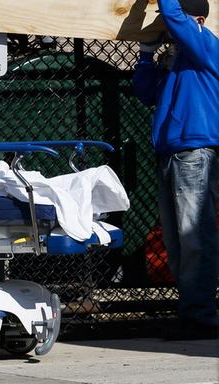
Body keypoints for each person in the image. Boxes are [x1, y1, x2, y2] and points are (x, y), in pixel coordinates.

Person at [133, 0, 219, 339]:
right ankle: (193, 312)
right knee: (178, 238)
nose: (167, 26)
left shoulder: (206, 43)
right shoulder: (177, 59)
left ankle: (200, 315)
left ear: (195, 19)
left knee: (193, 236)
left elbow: (172, 13)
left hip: (193, 151)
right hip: (173, 152)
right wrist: (145, 56)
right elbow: (144, 93)